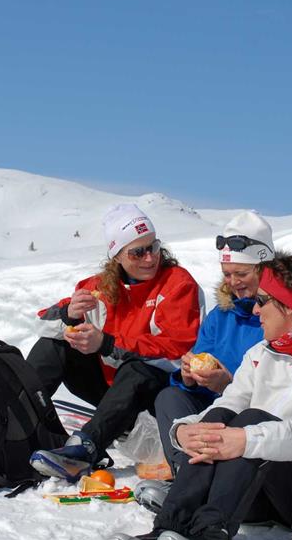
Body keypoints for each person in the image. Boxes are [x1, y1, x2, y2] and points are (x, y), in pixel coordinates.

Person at [107, 253, 292, 540]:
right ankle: (167, 527)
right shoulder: (261, 352)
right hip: (259, 488)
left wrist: (247, 439)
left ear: (288, 307)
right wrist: (184, 431)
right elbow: (230, 401)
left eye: (263, 301)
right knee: (215, 422)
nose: (255, 309)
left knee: (250, 421)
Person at [27, 203, 203, 482]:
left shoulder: (178, 283)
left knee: (137, 369)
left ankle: (85, 450)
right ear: (117, 255)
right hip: (111, 392)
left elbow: (177, 348)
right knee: (55, 345)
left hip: (155, 397)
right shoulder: (97, 286)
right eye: (138, 252)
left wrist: (108, 344)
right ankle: (15, 427)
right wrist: (68, 315)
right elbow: (41, 324)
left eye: (154, 247)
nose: (150, 258)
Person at [134, 212, 274, 511]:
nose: (233, 282)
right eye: (227, 274)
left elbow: (281, 390)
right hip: (213, 413)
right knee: (170, 396)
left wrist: (229, 385)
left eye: (242, 274)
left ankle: (205, 491)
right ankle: (188, 478)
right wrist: (187, 376)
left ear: (264, 270)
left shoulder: (278, 316)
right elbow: (196, 369)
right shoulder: (220, 315)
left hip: (251, 420)